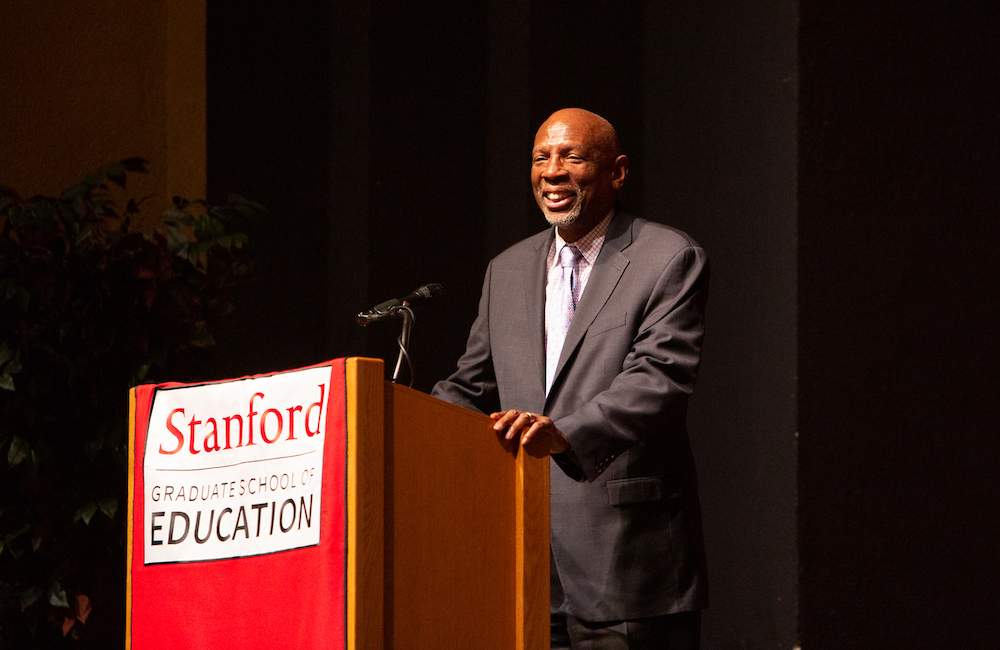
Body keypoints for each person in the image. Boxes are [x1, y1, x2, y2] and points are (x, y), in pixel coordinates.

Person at [431, 108, 709, 649]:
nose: (552, 171)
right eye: (541, 158)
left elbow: (659, 379)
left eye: (572, 156)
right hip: (526, 565)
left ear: (617, 172)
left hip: (628, 565)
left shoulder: (668, 257)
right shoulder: (506, 270)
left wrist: (566, 432)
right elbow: (470, 386)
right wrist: (388, 425)